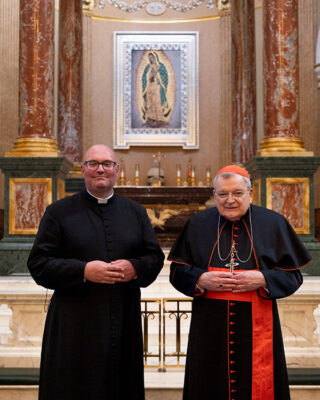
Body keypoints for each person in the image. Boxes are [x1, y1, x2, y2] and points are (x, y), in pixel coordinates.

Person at [27, 144, 164, 400]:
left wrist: (134, 267)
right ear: (84, 169)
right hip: (74, 322)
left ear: (117, 170)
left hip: (123, 318)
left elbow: (154, 257)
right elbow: (39, 264)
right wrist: (83, 271)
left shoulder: (135, 212)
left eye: (107, 164)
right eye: (93, 163)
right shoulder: (58, 212)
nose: (100, 169)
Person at [168, 165, 311, 400]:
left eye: (237, 193)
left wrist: (263, 278)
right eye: (223, 194)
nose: (230, 200)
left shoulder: (273, 223)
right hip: (209, 327)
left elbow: (293, 276)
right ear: (214, 196)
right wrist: (201, 279)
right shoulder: (198, 224)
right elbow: (177, 271)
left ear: (251, 194)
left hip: (257, 324)